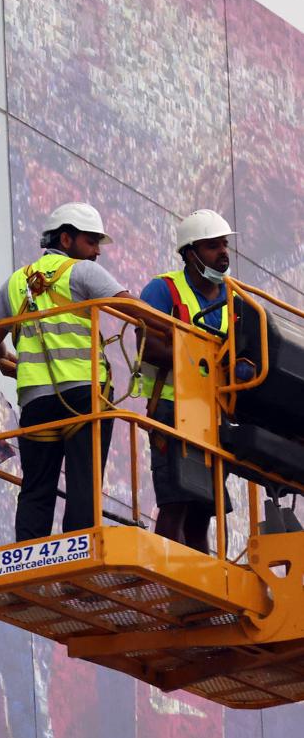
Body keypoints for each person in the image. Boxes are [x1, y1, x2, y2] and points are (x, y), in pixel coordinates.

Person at [0, 202, 133, 542]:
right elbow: (132, 309)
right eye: (91, 241)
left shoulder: (15, 283)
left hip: (36, 402)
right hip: (83, 395)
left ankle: (27, 557)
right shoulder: (82, 272)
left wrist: (11, 361)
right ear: (66, 238)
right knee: (84, 481)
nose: (96, 252)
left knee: (36, 486)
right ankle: (79, 556)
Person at [139, 209, 234, 554]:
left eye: (224, 244)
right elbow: (146, 344)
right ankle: (170, 575)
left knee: (203, 510)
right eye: (212, 246)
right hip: (171, 410)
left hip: (214, 415)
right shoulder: (163, 290)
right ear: (189, 253)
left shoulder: (234, 299)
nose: (222, 252)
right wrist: (203, 359)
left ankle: (203, 588)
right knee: (176, 502)